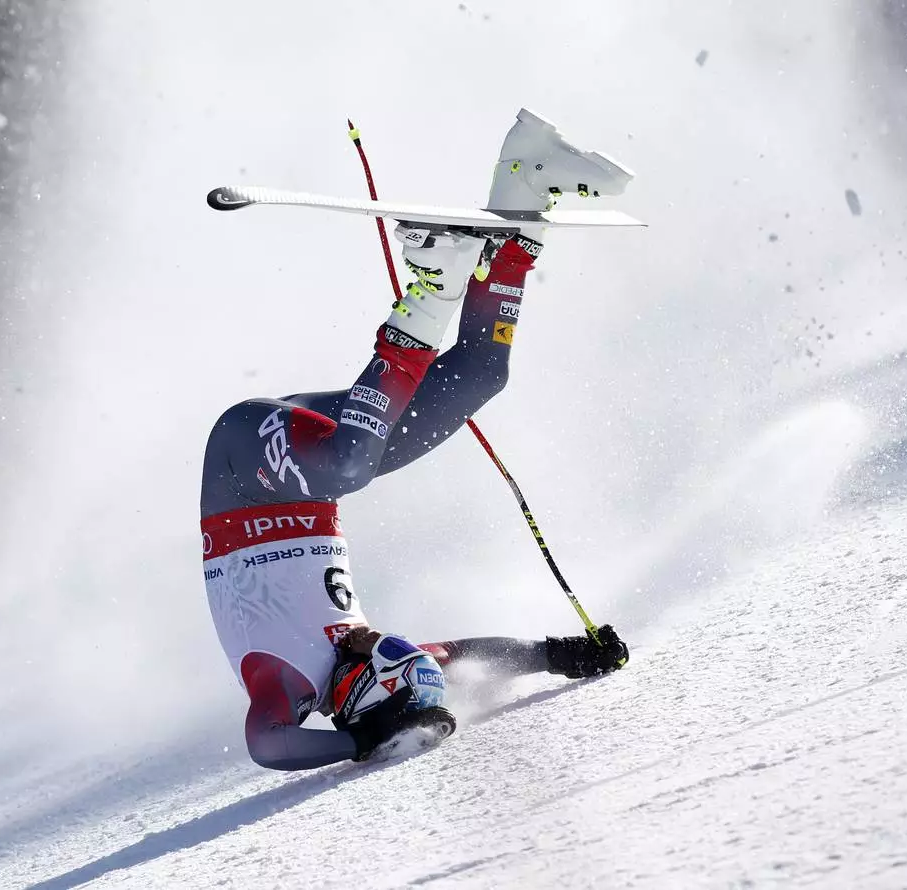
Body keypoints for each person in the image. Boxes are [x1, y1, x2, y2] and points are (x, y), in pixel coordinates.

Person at [201, 109, 630, 771]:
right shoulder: (381, 665)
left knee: (350, 468)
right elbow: (471, 658)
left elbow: (270, 748)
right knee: (481, 376)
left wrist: (356, 746)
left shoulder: (285, 685)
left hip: (243, 464)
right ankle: (524, 189)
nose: (388, 641)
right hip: (319, 463)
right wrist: (557, 654)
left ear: (360, 690)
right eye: (403, 649)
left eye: (386, 656)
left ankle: (434, 275)